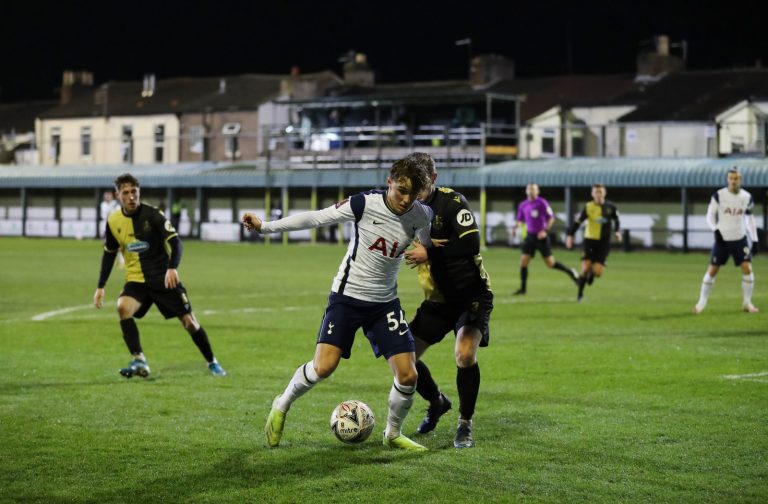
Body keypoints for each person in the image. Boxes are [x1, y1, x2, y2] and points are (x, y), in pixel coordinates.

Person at [243, 157, 434, 451]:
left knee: (409, 374)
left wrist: (425, 250)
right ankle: (281, 404)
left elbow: (425, 241)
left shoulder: (422, 215)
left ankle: (393, 433)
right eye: (401, 191)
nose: (406, 200)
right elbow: (316, 218)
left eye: (413, 194)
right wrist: (264, 226)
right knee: (323, 367)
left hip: (384, 304)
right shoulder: (363, 204)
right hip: (347, 297)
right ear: (389, 182)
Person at [93, 173, 227, 378]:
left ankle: (212, 362)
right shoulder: (113, 221)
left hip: (163, 278)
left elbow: (176, 242)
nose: (131, 197)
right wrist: (101, 286)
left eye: (134, 192)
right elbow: (109, 253)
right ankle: (139, 359)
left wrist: (172, 267)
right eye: (126, 193)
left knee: (190, 323)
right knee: (122, 307)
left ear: (139, 192)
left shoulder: (153, 215)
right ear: (118, 195)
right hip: (136, 281)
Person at [403, 152, 493, 449]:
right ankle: (437, 401)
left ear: (434, 179)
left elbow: (471, 243)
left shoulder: (452, 203)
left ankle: (465, 425)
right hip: (437, 300)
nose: (417, 191)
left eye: (422, 184)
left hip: (470, 296)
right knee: (405, 359)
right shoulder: (405, 208)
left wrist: (430, 252)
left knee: (465, 354)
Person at [693, 168, 759, 314]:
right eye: (731, 178)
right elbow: (709, 216)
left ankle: (747, 303)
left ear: (740, 180)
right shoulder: (719, 195)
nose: (733, 181)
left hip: (740, 239)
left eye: (736, 178)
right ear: (727, 179)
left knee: (747, 268)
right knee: (712, 270)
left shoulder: (746, 197)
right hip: (723, 239)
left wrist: (754, 240)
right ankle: (701, 303)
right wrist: (715, 230)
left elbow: (749, 219)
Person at [511, 183, 579, 295]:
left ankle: (571, 272)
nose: (531, 191)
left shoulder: (542, 203)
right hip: (530, 236)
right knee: (523, 261)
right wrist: (515, 227)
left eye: (533, 189)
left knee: (550, 263)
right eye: (529, 189)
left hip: (541, 237)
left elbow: (551, 218)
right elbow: (520, 219)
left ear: (537, 191)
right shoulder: (523, 205)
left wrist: (545, 231)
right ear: (526, 191)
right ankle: (523, 289)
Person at [565, 184, 622, 301]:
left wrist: (617, 232)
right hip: (589, 242)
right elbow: (578, 222)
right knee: (585, 268)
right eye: (596, 192)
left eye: (600, 192)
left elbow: (616, 220)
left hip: (603, 244)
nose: (598, 194)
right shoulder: (588, 207)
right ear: (592, 194)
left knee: (598, 273)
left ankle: (591, 274)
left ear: (604, 193)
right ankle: (580, 295)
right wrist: (570, 236)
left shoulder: (611, 207)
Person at [100, 190, 124, 267]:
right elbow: (104, 216)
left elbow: (118, 215)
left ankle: (121, 260)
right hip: (105, 227)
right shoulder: (103, 205)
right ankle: (109, 260)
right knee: (105, 244)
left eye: (108, 195)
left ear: (112, 196)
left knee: (118, 244)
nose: (107, 197)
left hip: (115, 227)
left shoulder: (116, 205)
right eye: (106, 195)